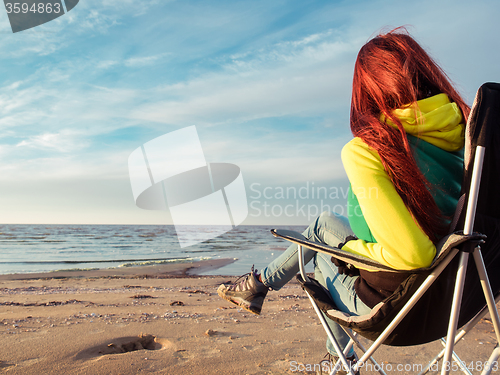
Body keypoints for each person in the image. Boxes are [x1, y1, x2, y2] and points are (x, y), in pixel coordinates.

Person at [218, 28, 470, 374]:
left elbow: (414, 255)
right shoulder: (469, 140)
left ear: (368, 91)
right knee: (323, 226)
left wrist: (350, 251)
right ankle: (260, 286)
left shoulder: (371, 150)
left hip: (400, 312)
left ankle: (338, 356)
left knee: (322, 251)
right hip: (460, 301)